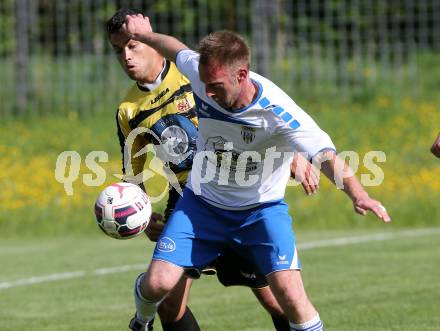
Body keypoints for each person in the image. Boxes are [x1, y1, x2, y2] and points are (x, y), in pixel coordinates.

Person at [119, 14, 391, 331]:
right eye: (204, 85)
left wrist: (359, 194)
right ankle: (141, 321)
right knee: (156, 285)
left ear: (242, 75)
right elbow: (175, 48)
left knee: (290, 297)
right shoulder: (203, 75)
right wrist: (147, 35)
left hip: (260, 213)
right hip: (201, 205)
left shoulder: (278, 112)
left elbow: (326, 156)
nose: (206, 94)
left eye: (216, 86)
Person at [106, 8, 318, 331]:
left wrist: (293, 156)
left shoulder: (197, 75)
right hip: (188, 202)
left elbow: (257, 113)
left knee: (276, 299)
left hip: (236, 195)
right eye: (118, 50)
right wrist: (143, 212)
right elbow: (133, 173)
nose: (126, 57)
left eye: (132, 45)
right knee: (168, 304)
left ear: (150, 41)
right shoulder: (128, 109)